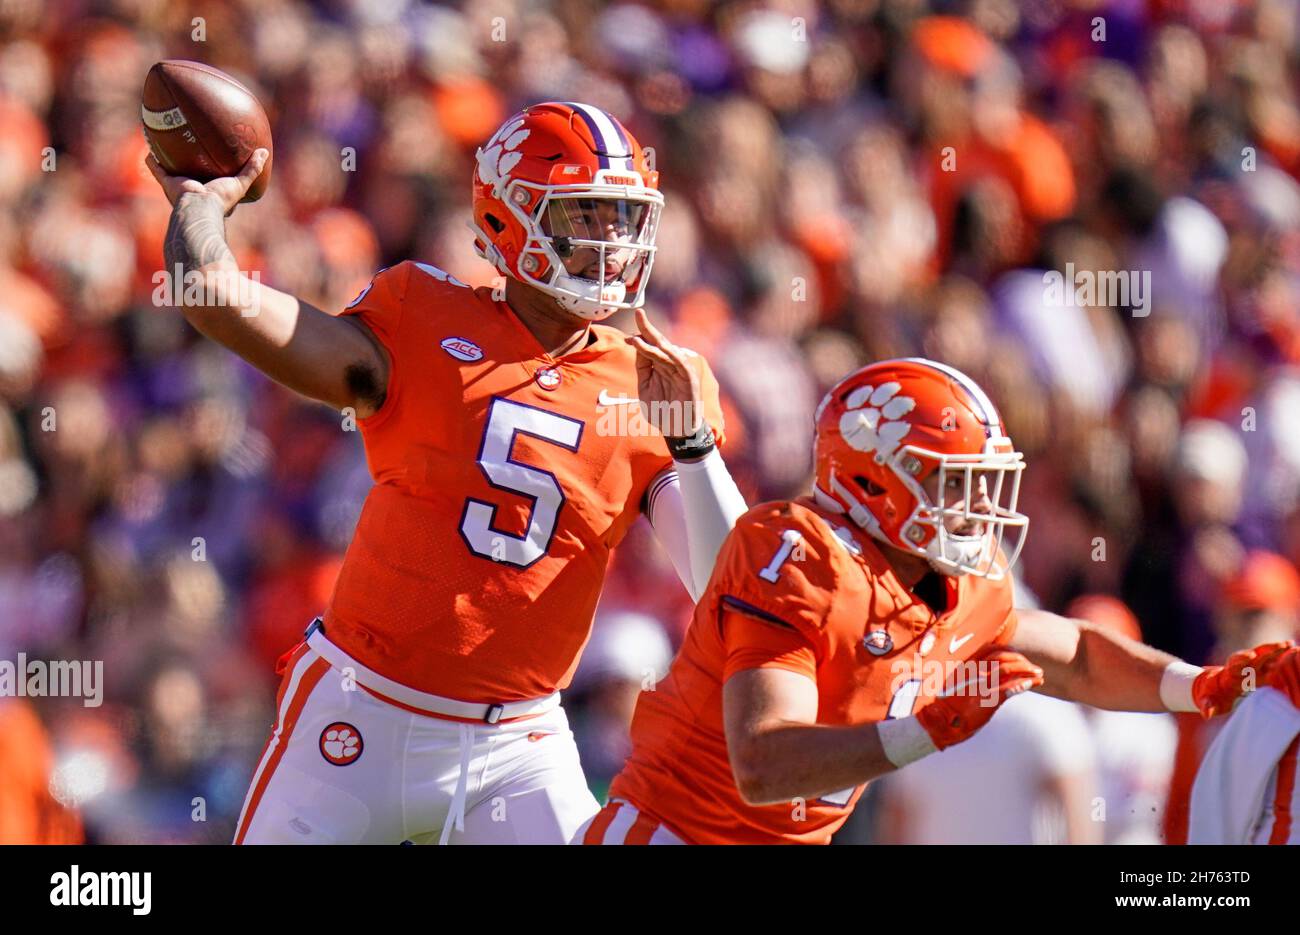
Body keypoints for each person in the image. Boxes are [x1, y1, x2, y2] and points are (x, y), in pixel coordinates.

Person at [146, 101, 747, 844]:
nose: (612, 242)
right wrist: (201, 209)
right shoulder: (423, 317)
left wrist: (695, 445)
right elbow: (219, 301)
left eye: (623, 217)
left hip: (518, 746)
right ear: (510, 218)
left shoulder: (650, 382)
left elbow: (732, 593)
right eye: (586, 214)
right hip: (359, 712)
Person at [579, 357, 1289, 844]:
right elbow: (762, 763)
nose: (977, 506)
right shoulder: (799, 553)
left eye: (981, 482)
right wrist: (926, 730)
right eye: (953, 481)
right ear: (872, 478)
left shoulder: (962, 578)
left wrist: (1200, 685)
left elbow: (1069, 653)